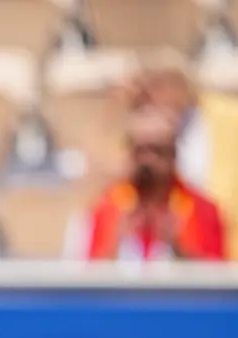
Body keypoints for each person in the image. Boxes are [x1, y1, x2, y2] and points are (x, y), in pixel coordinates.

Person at [85, 107, 227, 261]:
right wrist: (118, 244)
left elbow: (218, 278)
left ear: (173, 155)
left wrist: (178, 248)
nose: (147, 160)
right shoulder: (107, 206)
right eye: (140, 150)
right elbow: (89, 275)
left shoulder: (203, 210)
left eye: (157, 151)